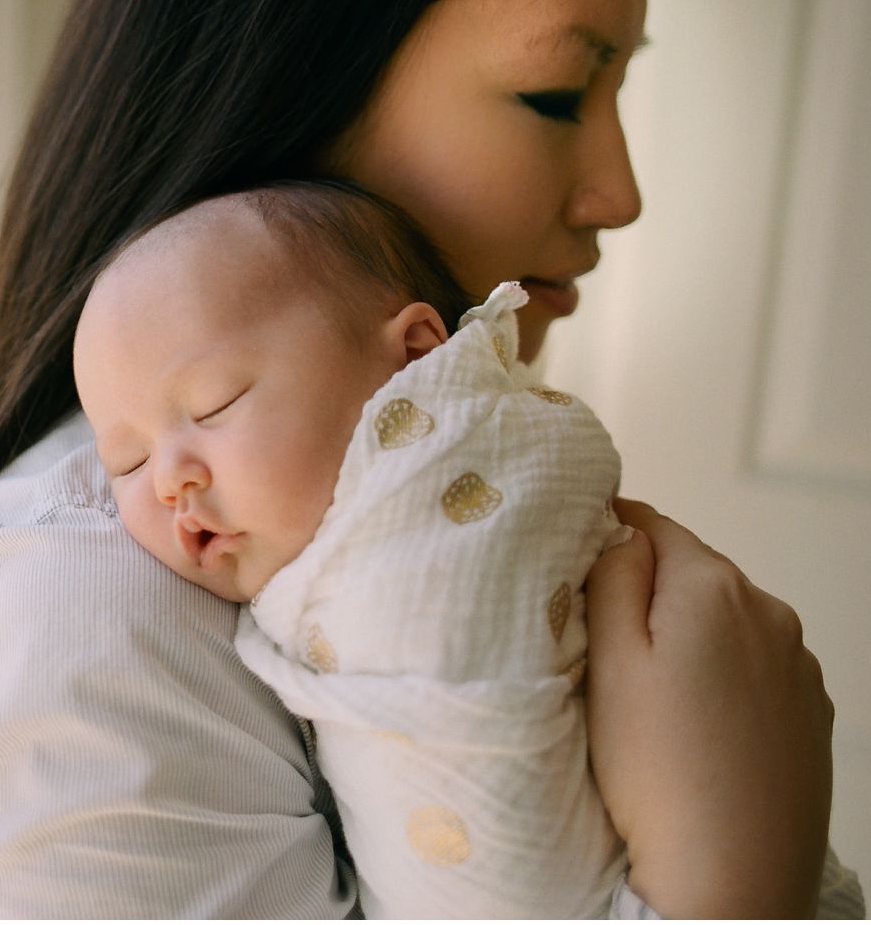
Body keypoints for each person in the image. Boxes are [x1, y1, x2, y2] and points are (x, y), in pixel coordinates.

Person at [0, 0, 852, 919]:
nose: (617, 195)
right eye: (558, 93)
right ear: (299, 68)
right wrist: (736, 872)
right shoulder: (96, 608)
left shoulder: (385, 488)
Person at [75, 181, 629, 917]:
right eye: (128, 463)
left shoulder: (456, 500)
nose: (171, 481)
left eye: (215, 405)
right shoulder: (93, 606)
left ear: (412, 362)